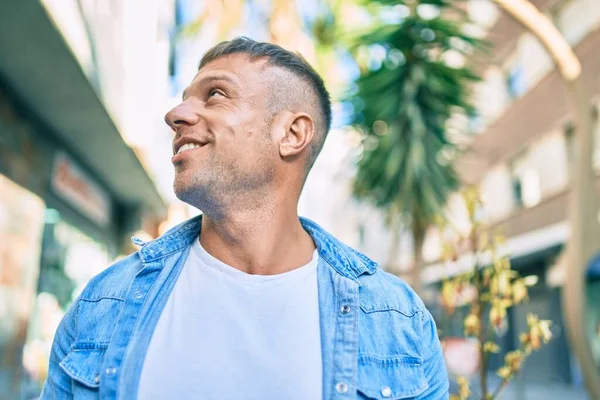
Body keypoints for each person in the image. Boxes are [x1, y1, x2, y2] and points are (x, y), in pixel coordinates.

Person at [41, 37, 448, 399]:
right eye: (185, 97)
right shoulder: (104, 301)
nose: (176, 114)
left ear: (292, 134)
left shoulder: (396, 320)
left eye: (215, 94)